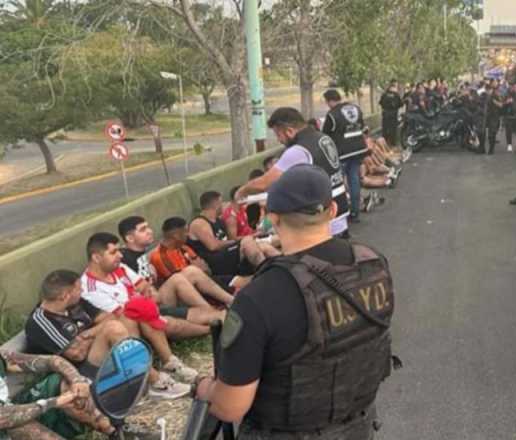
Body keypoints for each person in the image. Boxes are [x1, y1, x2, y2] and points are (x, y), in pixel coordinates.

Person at [194, 165, 396, 439]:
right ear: (332, 210)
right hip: (357, 427)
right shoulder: (373, 263)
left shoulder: (259, 298)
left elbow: (230, 408)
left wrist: (206, 388)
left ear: (273, 218)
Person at [25, 269, 193, 401]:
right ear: (64, 295)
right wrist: (102, 333)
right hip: (81, 373)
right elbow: (77, 354)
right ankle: (156, 383)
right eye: (78, 289)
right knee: (113, 329)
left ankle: (171, 363)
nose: (82, 291)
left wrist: (89, 333)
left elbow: (111, 315)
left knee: (135, 310)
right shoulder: (41, 321)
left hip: (100, 351)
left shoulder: (74, 303)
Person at [79, 232, 204, 379]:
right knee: (145, 316)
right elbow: (120, 314)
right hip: (126, 329)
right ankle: (149, 373)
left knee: (171, 288)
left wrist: (148, 296)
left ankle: (173, 360)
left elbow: (146, 287)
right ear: (96, 257)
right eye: (113, 252)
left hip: (146, 313)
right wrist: (144, 301)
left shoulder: (120, 268)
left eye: (119, 250)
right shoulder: (90, 287)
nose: (120, 255)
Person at [236, 107, 353, 238]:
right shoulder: (323, 138)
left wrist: (242, 191)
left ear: (290, 131)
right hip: (339, 212)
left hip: (321, 223)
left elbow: (265, 183)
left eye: (278, 135)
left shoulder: (299, 150)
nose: (279, 140)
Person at [118, 216, 238, 308]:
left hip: (160, 296)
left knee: (191, 271)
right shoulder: (123, 258)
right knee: (178, 278)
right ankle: (212, 312)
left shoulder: (145, 255)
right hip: (149, 303)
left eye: (148, 227)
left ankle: (231, 302)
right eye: (143, 229)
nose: (150, 231)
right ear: (130, 238)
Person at [0, 349, 116, 439]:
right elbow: (3, 417)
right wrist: (55, 402)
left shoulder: (3, 358)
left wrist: (76, 380)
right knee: (20, 425)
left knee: (79, 393)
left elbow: (52, 361)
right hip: (9, 420)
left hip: (16, 414)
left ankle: (113, 430)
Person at [188, 191, 279, 278]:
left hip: (227, 254)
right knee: (247, 241)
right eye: (221, 202)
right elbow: (213, 246)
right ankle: (266, 272)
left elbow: (235, 204)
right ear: (216, 205)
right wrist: (236, 242)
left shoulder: (217, 219)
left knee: (264, 247)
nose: (223, 205)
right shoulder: (199, 223)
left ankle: (285, 265)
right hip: (216, 261)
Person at [322, 89, 369, 224]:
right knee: (354, 179)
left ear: (329, 100)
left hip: (342, 152)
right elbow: (363, 127)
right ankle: (355, 212)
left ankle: (339, 213)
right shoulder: (355, 108)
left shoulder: (332, 114)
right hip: (359, 149)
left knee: (338, 183)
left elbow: (325, 134)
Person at [380, 81, 404, 147]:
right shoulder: (396, 95)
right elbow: (401, 104)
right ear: (393, 87)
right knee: (393, 129)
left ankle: (384, 143)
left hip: (385, 113)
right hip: (393, 114)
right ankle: (393, 143)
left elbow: (381, 103)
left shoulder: (384, 94)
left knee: (385, 128)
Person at [502, 83, 516, 152]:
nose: (515, 88)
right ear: (511, 87)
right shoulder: (506, 95)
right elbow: (502, 105)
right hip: (508, 116)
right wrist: (506, 102)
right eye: (514, 87)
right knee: (509, 131)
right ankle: (509, 144)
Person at [483, 85, 503, 155]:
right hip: (492, 117)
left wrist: (495, 102)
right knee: (491, 133)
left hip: (494, 117)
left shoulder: (495, 97)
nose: (499, 92)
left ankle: (491, 148)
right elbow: (500, 105)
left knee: (492, 133)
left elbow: (501, 105)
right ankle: (491, 149)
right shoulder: (491, 97)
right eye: (498, 91)